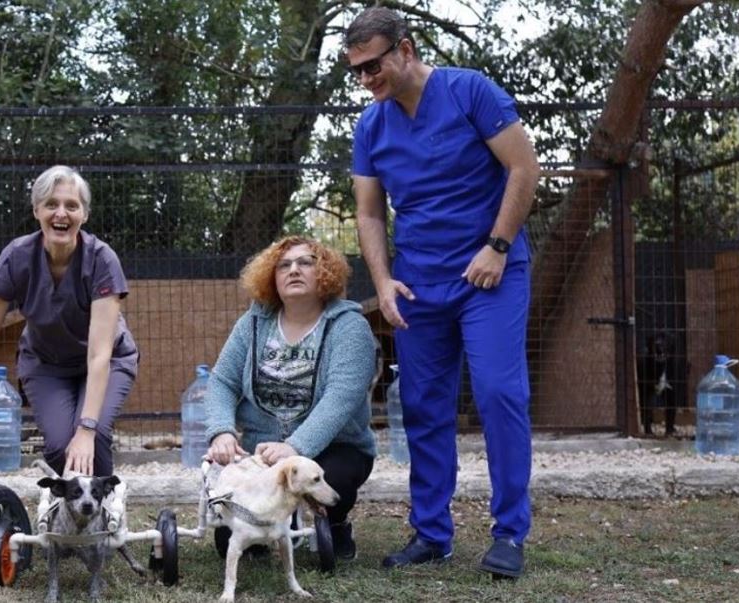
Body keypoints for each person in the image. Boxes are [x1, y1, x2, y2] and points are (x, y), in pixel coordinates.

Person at [345, 7, 541, 579]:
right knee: (424, 408)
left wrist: (498, 247)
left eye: (373, 65)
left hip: (490, 276)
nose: (365, 79)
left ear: (405, 50)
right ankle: (431, 533)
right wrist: (382, 282)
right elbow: (368, 212)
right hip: (418, 284)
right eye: (356, 70)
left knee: (501, 394)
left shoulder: (470, 91)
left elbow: (524, 169)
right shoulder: (371, 125)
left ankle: (509, 533)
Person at [0, 165, 138, 477]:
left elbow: (100, 353)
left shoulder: (102, 260)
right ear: (37, 210)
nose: (61, 213)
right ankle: (66, 518)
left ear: (84, 215)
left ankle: (105, 516)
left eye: (71, 206)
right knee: (59, 446)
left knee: (96, 437)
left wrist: (88, 428)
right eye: (51, 204)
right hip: (47, 364)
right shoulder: (15, 258)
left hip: (108, 360)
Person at [203, 236, 378, 559]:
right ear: (272, 276)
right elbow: (222, 382)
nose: (293, 270)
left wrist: (296, 447)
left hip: (333, 448)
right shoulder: (253, 323)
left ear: (325, 272)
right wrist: (222, 430)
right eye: (284, 265)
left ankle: (334, 526)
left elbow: (342, 397)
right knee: (229, 540)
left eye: (305, 262)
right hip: (262, 450)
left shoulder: (350, 327)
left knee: (332, 479)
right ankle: (275, 522)